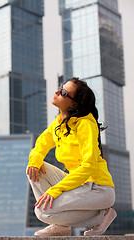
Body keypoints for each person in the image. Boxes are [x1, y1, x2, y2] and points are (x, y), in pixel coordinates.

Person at [26, 77, 117, 236]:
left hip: (98, 188)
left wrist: (55, 190)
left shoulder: (85, 124)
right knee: (33, 168)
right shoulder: (59, 123)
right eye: (60, 88)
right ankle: (61, 226)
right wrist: (35, 160)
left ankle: (103, 213)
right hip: (78, 185)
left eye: (63, 92)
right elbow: (41, 144)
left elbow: (88, 166)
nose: (56, 92)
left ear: (74, 104)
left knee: (42, 212)